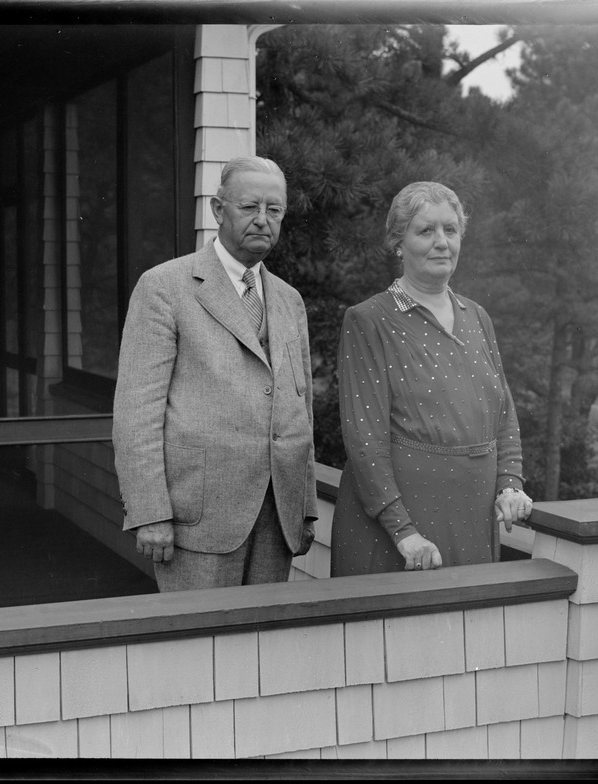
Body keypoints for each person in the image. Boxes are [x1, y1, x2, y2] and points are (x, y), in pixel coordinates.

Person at [113, 156, 317, 592]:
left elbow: (303, 411)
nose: (263, 221)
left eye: (274, 210)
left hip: (277, 517)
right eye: (249, 208)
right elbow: (137, 412)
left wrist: (305, 508)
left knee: (263, 648)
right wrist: (150, 513)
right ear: (218, 210)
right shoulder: (165, 287)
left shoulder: (288, 300)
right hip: (197, 522)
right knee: (198, 649)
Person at [330, 181, 532, 576]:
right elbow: (365, 440)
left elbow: (503, 413)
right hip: (401, 533)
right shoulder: (369, 320)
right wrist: (403, 531)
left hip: (472, 520)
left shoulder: (477, 317)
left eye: (451, 230)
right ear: (397, 243)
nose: (442, 242)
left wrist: (510, 484)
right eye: (426, 231)